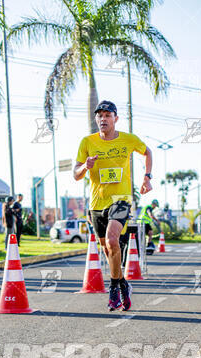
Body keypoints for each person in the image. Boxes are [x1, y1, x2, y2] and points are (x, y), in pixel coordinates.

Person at [74, 100, 152, 311]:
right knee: (108, 250)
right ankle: (124, 285)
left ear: (115, 118)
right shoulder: (87, 142)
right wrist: (85, 167)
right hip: (97, 202)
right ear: (96, 119)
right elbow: (75, 174)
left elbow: (147, 152)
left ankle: (113, 290)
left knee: (112, 239)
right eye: (99, 116)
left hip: (121, 198)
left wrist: (147, 177)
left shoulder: (128, 139)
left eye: (107, 115)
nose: (103, 119)